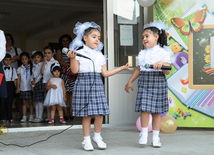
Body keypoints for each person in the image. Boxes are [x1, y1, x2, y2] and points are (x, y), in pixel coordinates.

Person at [68, 22, 133, 151]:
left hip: (97, 83)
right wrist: (72, 59)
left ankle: (97, 136)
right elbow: (75, 71)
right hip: (83, 83)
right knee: (87, 114)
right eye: (94, 36)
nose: (97, 39)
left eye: (99, 37)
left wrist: (121, 68)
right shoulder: (78, 53)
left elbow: (105, 73)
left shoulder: (99, 55)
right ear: (85, 38)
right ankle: (86, 140)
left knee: (100, 113)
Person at [124, 21, 171, 148]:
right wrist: (129, 81)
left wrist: (162, 64)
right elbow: (139, 69)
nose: (144, 39)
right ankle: (144, 134)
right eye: (143, 37)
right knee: (144, 110)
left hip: (158, 82)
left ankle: (156, 137)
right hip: (145, 81)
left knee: (156, 112)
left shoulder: (163, 53)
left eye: (147, 36)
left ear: (156, 37)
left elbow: (167, 71)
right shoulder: (142, 53)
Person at [55, 34, 77, 121]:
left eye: (66, 41)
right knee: (64, 94)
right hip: (64, 74)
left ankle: (71, 112)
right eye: (63, 41)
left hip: (72, 74)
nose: (65, 42)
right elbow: (59, 61)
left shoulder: (73, 50)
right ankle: (65, 113)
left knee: (72, 94)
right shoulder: (59, 51)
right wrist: (69, 65)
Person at [41, 46, 59, 122]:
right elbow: (42, 72)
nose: (47, 55)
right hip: (45, 82)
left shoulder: (55, 62)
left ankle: (52, 117)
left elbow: (56, 73)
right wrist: (44, 63)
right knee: (47, 100)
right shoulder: (43, 62)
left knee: (52, 101)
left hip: (52, 83)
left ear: (52, 53)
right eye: (45, 53)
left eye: (49, 53)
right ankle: (49, 117)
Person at [16, 52, 34, 122]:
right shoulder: (20, 68)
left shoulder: (32, 67)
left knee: (31, 102)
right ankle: (24, 116)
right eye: (22, 59)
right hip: (23, 87)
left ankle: (31, 115)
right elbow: (18, 79)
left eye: (25, 59)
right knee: (24, 102)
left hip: (30, 87)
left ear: (29, 59)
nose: (24, 60)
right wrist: (18, 87)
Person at [1, 54, 18, 123]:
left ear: (11, 61)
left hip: (10, 85)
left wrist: (17, 87)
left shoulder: (13, 69)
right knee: (2, 102)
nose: (7, 62)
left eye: (9, 60)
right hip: (3, 84)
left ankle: (10, 117)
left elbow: (15, 79)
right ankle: (3, 117)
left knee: (10, 101)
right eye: (6, 60)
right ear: (2, 61)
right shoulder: (1, 69)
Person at [31, 51, 44, 122]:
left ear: (41, 58)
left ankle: (40, 117)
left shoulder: (42, 65)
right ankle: (37, 116)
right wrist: (32, 83)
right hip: (35, 83)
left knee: (40, 101)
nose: (36, 59)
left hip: (39, 83)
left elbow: (40, 75)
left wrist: (35, 81)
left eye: (38, 57)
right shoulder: (33, 65)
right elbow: (32, 75)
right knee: (36, 101)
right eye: (35, 57)